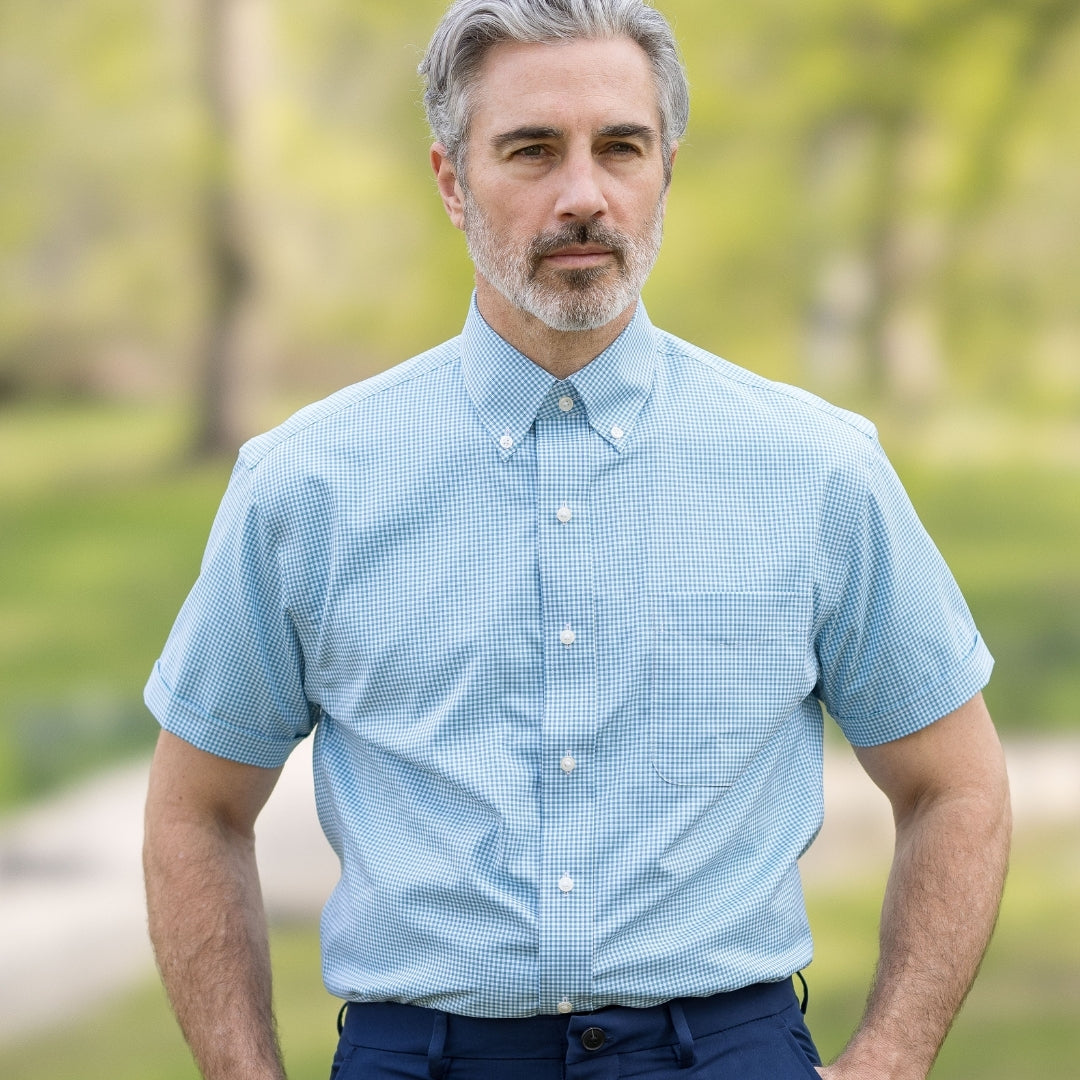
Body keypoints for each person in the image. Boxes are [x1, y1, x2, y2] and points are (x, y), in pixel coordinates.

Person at [142, 2, 1011, 1078]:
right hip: (421, 1057)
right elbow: (196, 812)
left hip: (722, 1051)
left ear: (667, 172)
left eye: (621, 148)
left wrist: (894, 1055)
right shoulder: (305, 485)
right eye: (531, 151)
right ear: (452, 180)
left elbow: (957, 783)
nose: (584, 196)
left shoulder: (817, 471)